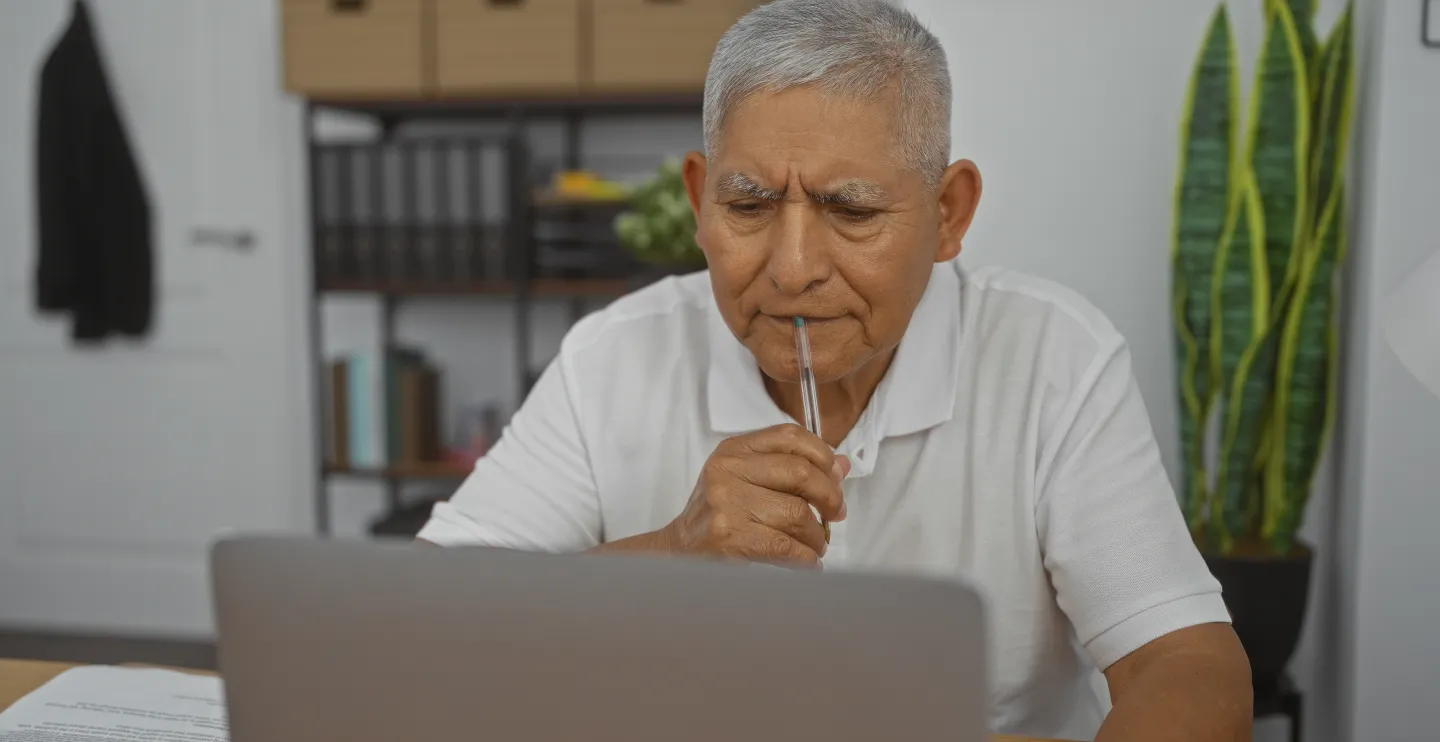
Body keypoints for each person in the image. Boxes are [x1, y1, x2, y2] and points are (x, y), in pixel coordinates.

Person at [418, 1, 1252, 739]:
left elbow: (1186, 665)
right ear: (701, 199)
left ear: (948, 213)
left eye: (851, 211)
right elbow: (432, 625)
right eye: (747, 205)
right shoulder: (613, 356)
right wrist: (672, 553)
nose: (791, 269)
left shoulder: (1052, 356)